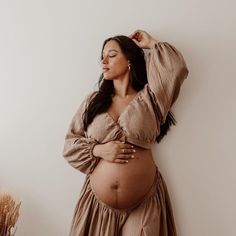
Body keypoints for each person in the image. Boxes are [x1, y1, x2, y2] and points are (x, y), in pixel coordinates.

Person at [62, 29, 189, 236]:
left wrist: (151, 43)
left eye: (111, 55)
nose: (104, 61)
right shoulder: (93, 102)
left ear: (129, 59)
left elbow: (176, 68)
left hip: (143, 203)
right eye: (102, 57)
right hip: (97, 205)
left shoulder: (152, 98)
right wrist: (98, 150)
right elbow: (69, 146)